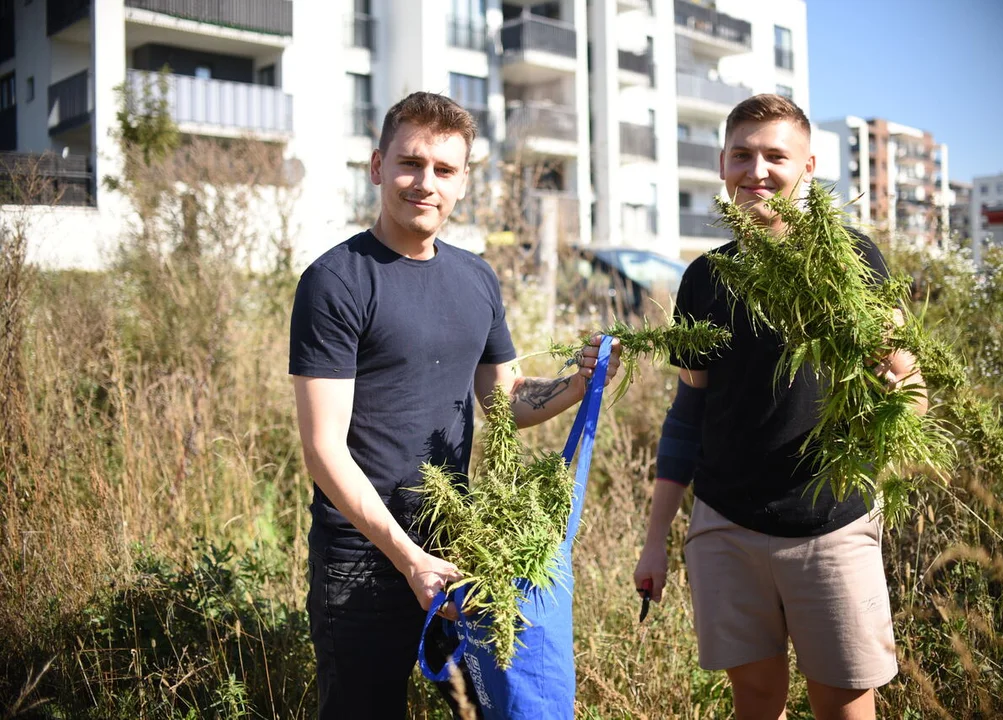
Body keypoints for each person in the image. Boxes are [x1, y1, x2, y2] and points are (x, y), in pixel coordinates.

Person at [290, 92, 621, 719]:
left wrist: (581, 382)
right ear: (377, 165)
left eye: (444, 170)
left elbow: (505, 400)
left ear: (464, 181)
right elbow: (323, 449)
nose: (425, 183)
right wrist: (408, 559)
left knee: (478, 710)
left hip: (457, 544)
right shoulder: (337, 280)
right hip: (363, 555)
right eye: (410, 163)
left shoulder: (476, 278)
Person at [633, 94, 926, 720]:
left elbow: (908, 383)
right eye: (743, 154)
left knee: (845, 704)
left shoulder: (850, 259)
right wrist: (656, 539)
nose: (757, 170)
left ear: (809, 167)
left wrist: (888, 429)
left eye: (776, 156)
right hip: (726, 526)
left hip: (831, 525)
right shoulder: (705, 279)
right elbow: (689, 412)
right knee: (756, 701)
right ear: (721, 163)